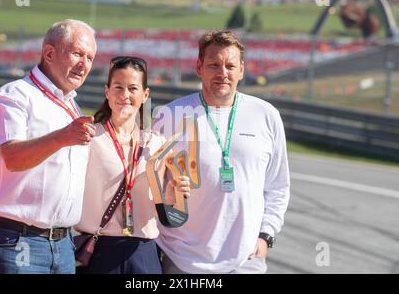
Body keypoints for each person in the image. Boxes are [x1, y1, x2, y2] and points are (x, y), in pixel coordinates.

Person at [153, 29, 290, 274]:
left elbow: (277, 186)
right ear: (199, 67)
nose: (222, 73)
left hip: (246, 259)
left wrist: (265, 236)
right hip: (183, 258)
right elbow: (150, 186)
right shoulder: (170, 115)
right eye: (214, 65)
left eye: (230, 65)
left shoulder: (266, 116)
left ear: (242, 70)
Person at [0, 19, 97, 274]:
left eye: (89, 57)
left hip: (62, 245)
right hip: (17, 241)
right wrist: (62, 137)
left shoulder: (71, 107)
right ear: (50, 53)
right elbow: (14, 158)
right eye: (77, 53)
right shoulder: (14, 96)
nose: (84, 64)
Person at [75, 56, 190, 274]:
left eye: (133, 88)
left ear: (145, 95)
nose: (125, 95)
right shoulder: (88, 137)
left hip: (142, 252)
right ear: (107, 91)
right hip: (97, 251)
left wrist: (174, 197)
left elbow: (163, 205)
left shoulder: (157, 144)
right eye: (118, 87)